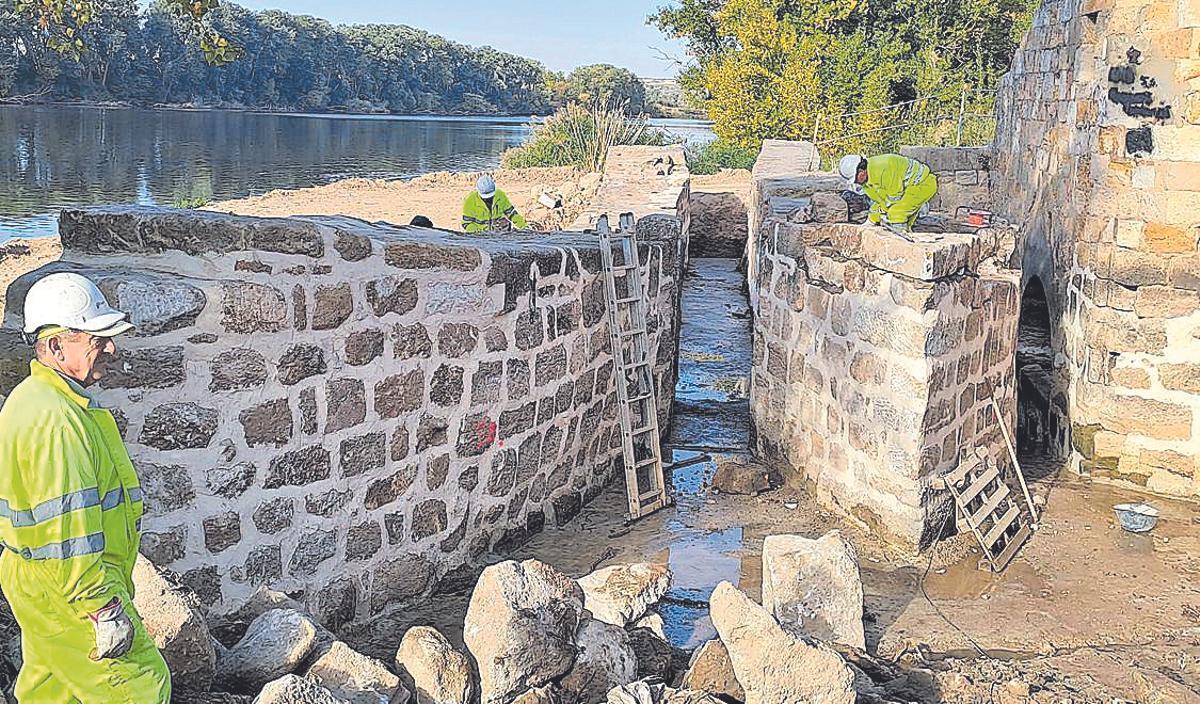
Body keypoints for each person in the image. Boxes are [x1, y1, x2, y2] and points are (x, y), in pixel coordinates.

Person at [0, 272, 170, 702]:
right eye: (96, 337)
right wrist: (102, 607)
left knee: (52, 692)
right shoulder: (55, 419)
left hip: (42, 582)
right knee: (141, 688)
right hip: (72, 588)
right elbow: (67, 532)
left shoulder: (39, 400)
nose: (110, 348)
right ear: (56, 346)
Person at [838, 153, 938, 233]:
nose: (855, 182)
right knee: (904, 223)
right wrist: (870, 221)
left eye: (855, 178)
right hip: (908, 188)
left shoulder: (883, 167)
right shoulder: (868, 183)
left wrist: (881, 215)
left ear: (861, 171)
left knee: (896, 213)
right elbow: (880, 202)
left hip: (922, 183)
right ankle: (908, 243)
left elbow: (894, 197)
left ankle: (900, 247)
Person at [462, 174, 527, 233]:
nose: (488, 199)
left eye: (490, 196)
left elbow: (512, 214)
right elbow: (466, 224)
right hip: (479, 234)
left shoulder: (500, 195)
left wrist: (524, 227)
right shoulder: (470, 200)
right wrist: (479, 233)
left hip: (498, 232)